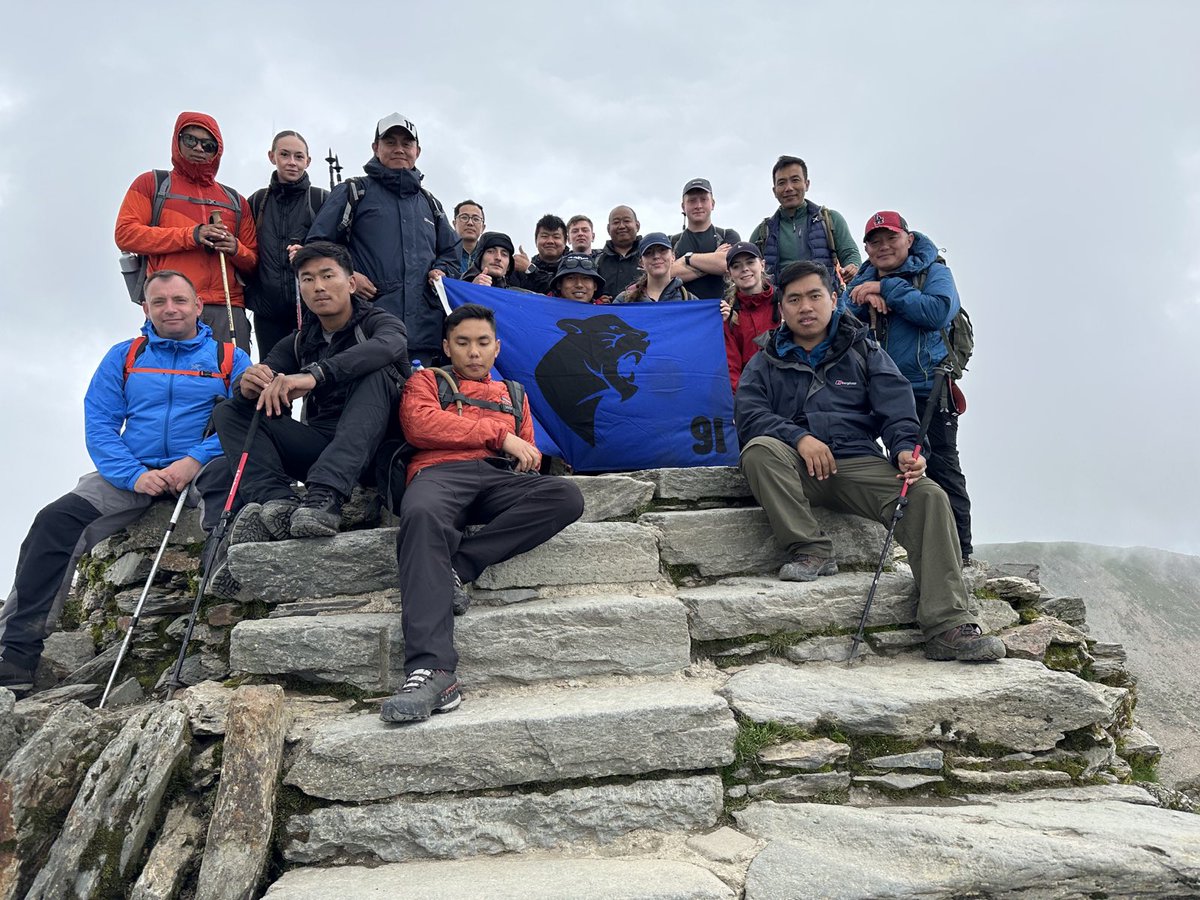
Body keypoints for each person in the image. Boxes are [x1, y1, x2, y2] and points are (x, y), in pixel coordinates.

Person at [735, 260, 1004, 662]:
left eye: (814, 296)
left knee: (928, 495)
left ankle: (947, 623)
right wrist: (800, 437)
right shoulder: (765, 359)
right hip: (793, 466)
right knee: (758, 450)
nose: (805, 307)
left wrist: (905, 450)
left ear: (833, 297)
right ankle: (810, 549)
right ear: (782, 308)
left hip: (858, 463)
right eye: (793, 299)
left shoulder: (864, 349)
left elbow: (897, 410)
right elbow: (750, 414)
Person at [0, 272, 250, 691]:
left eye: (179, 300)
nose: (170, 309)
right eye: (159, 302)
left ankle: (223, 630)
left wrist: (193, 460)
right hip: (129, 470)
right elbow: (99, 423)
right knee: (55, 521)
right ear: (146, 308)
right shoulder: (125, 355)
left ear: (197, 305)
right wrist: (134, 475)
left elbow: (243, 421)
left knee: (232, 513)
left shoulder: (229, 358)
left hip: (201, 471)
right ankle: (16, 655)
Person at [382, 304, 584, 722]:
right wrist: (498, 434)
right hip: (439, 473)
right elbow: (420, 425)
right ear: (446, 347)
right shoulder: (427, 380)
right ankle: (433, 670)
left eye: (482, 342)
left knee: (565, 498)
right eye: (462, 342)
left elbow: (527, 451)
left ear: (497, 348)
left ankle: (457, 566)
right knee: (419, 515)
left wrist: (520, 452)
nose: (473, 352)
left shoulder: (515, 393)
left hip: (498, 478)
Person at [211, 241, 409, 555]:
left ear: (351, 283)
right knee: (230, 411)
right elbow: (265, 372)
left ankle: (326, 496)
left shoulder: (380, 324)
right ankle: (277, 501)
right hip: (323, 446)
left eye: (328, 276)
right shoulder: (299, 341)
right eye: (307, 279)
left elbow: (387, 347)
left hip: (378, 451)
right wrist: (247, 383)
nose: (318, 286)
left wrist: (315, 375)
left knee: (375, 371)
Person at [844, 211, 974, 563]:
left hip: (929, 387)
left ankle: (960, 553)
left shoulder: (935, 272)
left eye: (891, 237)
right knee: (899, 468)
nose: (883, 246)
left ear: (908, 238)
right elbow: (840, 319)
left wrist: (887, 289)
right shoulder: (862, 280)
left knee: (943, 469)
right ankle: (915, 548)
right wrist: (866, 295)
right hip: (882, 393)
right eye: (874, 241)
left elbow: (937, 311)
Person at [305, 112, 459, 364]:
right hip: (365, 334)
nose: (399, 149)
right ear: (375, 148)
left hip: (425, 339)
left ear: (417, 151)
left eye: (406, 143)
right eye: (390, 142)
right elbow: (317, 247)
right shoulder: (353, 191)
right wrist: (349, 275)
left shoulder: (431, 204)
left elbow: (452, 253)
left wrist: (441, 270)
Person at [116, 112, 258, 351]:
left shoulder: (236, 200)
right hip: (173, 306)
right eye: (190, 140)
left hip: (227, 307)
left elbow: (254, 260)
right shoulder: (151, 184)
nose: (199, 148)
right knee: (171, 383)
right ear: (177, 140)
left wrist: (235, 248)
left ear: (218, 151)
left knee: (234, 385)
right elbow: (125, 234)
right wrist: (192, 235)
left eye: (209, 145)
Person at [246, 130, 329, 359]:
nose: (292, 162)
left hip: (313, 310)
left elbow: (339, 249)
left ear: (308, 161)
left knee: (316, 383)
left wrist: (310, 254)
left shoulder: (321, 199)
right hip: (267, 314)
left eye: (299, 156)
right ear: (272, 156)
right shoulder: (256, 201)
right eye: (285, 155)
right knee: (272, 384)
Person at [748, 155, 860, 289]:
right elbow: (747, 267)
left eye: (795, 180)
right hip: (780, 305)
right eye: (782, 183)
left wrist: (852, 267)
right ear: (774, 190)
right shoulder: (762, 232)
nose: (789, 188)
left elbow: (850, 253)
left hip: (825, 303)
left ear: (807, 184)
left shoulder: (830, 219)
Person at [670, 178, 741, 301]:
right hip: (683, 312)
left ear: (712, 204)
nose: (698, 206)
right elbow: (668, 274)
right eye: (692, 201)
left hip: (721, 311)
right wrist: (713, 260)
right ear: (683, 206)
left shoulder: (727, 236)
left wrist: (687, 259)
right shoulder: (672, 242)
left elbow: (725, 264)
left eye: (703, 199)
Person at [722, 242, 777, 392]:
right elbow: (730, 366)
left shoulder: (784, 302)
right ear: (729, 274)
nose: (744, 269)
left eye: (750, 262)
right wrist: (743, 399)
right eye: (736, 266)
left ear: (762, 265)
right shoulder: (727, 314)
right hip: (749, 395)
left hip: (788, 390)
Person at [614, 233, 695, 303]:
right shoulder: (623, 301)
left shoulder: (689, 300)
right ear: (641, 263)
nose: (656, 256)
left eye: (662, 250)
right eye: (648, 252)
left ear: (673, 257)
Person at [594, 206, 642, 300]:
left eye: (627, 221)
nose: (621, 226)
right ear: (608, 228)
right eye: (616, 222)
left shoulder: (649, 257)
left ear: (637, 225)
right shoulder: (596, 261)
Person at [514, 214, 569, 293]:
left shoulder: (574, 269)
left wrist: (530, 269)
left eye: (556, 237)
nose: (550, 241)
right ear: (536, 241)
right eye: (544, 236)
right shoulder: (523, 270)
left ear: (565, 241)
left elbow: (562, 291)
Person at [452, 200, 486, 276]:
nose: (470, 223)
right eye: (464, 217)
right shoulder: (442, 253)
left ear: (483, 228)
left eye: (476, 219)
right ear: (454, 224)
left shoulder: (489, 258)